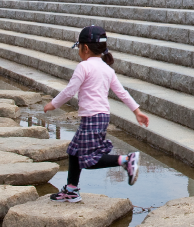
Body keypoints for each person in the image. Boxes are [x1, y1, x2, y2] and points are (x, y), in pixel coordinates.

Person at [43, 25, 150, 203]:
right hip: (101, 117)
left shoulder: (84, 67)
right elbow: (122, 92)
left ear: (85, 47)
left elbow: (70, 92)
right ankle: (71, 189)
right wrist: (137, 111)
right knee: (74, 151)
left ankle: (125, 160)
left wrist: (53, 104)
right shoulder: (107, 69)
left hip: (92, 118)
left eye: (78, 47)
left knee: (89, 159)